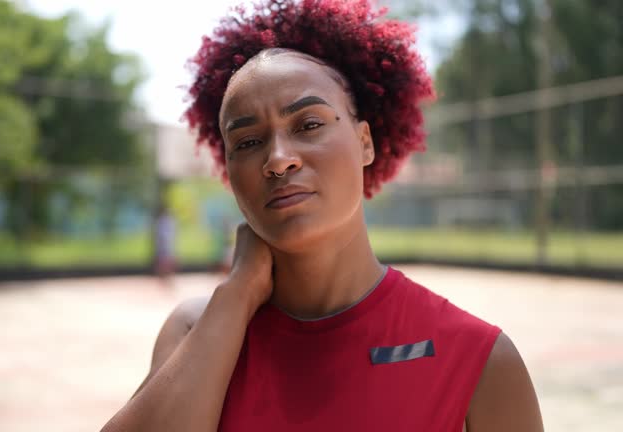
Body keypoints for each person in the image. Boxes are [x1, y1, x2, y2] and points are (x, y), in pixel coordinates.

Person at [101, 0, 543, 431]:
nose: (278, 159)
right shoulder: (195, 330)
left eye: (309, 125)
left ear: (365, 142)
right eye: (248, 142)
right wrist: (237, 293)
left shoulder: (479, 359)